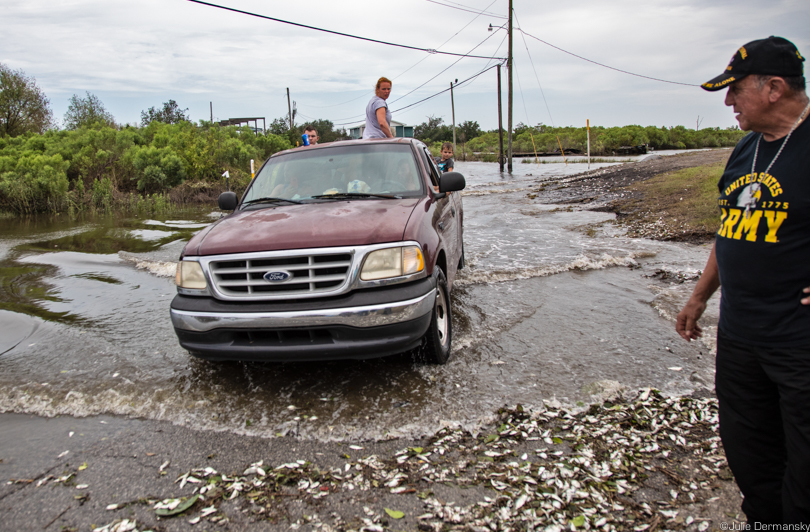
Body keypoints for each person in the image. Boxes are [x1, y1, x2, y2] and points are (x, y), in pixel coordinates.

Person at [675, 36, 810, 524]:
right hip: (738, 338)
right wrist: (697, 298)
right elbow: (730, 229)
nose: (728, 101)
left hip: (798, 345)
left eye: (735, 90)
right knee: (753, 463)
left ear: (774, 87)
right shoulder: (747, 148)